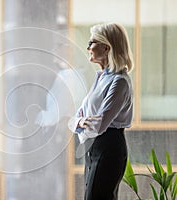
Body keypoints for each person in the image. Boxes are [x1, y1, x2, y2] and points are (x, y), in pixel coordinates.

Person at [68, 23, 134, 200]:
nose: (88, 47)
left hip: (109, 147)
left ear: (106, 48)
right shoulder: (101, 78)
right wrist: (80, 122)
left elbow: (99, 124)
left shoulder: (119, 81)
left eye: (92, 42)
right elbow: (74, 119)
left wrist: (81, 123)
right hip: (93, 147)